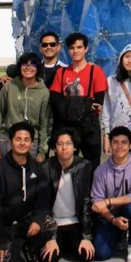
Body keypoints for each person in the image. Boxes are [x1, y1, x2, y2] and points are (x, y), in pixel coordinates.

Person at [0, 122, 53, 262]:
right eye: (18, 139)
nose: (22, 143)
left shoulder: (38, 169)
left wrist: (37, 220)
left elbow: (43, 200)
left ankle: (28, 248)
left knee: (49, 224)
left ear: (32, 143)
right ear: (10, 142)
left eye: (26, 140)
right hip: (3, 223)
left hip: (26, 221)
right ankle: (0, 245)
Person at [92, 126, 131, 262]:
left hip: (130, 211)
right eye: (115, 142)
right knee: (101, 253)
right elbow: (97, 201)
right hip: (110, 217)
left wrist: (108, 201)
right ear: (110, 144)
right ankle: (119, 233)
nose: (119, 146)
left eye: (124, 142)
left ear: (130, 145)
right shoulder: (100, 171)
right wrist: (112, 219)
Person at [49, 32, 108, 165]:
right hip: (67, 127)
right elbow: (55, 102)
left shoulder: (96, 71)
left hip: (89, 127)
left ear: (86, 49)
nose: (76, 51)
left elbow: (98, 103)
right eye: (72, 48)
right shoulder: (62, 72)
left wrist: (69, 104)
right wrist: (85, 103)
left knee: (92, 167)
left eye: (79, 47)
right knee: (65, 165)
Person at [41, 129, 95, 262]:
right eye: (59, 144)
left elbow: (87, 202)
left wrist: (86, 236)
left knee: (86, 255)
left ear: (75, 146)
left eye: (68, 143)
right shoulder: (46, 167)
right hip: (54, 223)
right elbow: (43, 204)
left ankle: (67, 244)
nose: (64, 148)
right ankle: (60, 243)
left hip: (75, 221)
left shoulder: (85, 166)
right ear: (54, 147)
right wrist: (50, 236)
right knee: (49, 259)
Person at [0, 53, 52, 160]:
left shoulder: (44, 92)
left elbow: (45, 123)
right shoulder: (8, 87)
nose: (28, 68)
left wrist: (42, 151)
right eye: (25, 64)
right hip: (6, 141)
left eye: (32, 65)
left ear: (37, 68)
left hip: (31, 143)